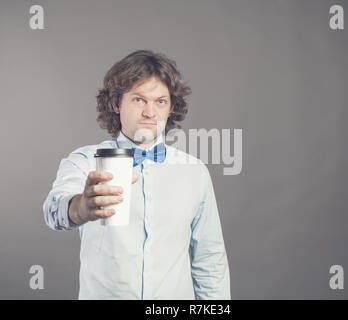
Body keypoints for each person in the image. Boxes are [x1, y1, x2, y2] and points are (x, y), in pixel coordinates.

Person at [42, 50, 230, 299]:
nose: (150, 113)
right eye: (139, 100)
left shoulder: (194, 172)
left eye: (160, 101)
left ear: (171, 107)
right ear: (115, 103)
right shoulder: (85, 161)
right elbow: (54, 211)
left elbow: (210, 260)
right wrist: (81, 208)